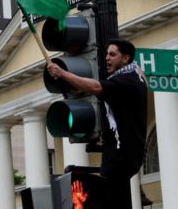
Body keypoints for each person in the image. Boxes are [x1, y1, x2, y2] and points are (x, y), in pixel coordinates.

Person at [47, 38, 148, 209]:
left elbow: (95, 88)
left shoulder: (126, 81)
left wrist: (63, 74)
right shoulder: (135, 75)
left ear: (125, 59)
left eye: (112, 54)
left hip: (120, 157)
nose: (107, 58)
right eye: (107, 53)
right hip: (125, 156)